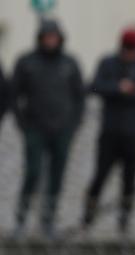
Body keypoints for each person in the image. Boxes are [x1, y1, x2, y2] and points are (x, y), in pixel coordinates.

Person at [10, 19, 84, 241]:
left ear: (60, 39)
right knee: (33, 172)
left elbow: (80, 97)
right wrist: (22, 123)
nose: (51, 41)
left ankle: (48, 221)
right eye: (47, 37)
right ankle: (21, 219)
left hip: (62, 130)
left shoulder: (70, 63)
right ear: (40, 38)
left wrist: (73, 125)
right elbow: (14, 95)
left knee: (56, 177)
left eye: (54, 37)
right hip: (35, 128)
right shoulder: (27, 62)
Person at [81, 28, 135, 237]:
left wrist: (128, 91)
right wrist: (118, 88)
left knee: (130, 181)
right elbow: (94, 86)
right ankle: (88, 217)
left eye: (134, 49)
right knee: (100, 176)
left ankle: (124, 221)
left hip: (134, 134)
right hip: (110, 132)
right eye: (128, 49)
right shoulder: (108, 63)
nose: (131, 53)